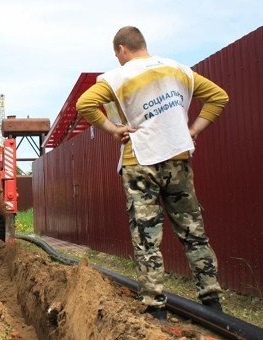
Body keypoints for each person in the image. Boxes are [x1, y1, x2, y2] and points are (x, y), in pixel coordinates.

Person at [76, 26, 228, 320]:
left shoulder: (118, 76)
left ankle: (155, 306)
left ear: (122, 49)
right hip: (178, 158)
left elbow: (86, 104)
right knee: (193, 231)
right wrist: (194, 129)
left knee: (147, 236)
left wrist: (112, 129)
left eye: (117, 54)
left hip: (140, 161)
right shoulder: (179, 69)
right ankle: (212, 301)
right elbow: (219, 97)